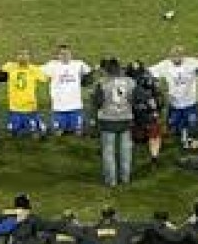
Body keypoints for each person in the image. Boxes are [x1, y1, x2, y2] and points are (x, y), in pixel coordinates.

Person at [92, 58, 135, 187]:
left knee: (108, 152)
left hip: (108, 121)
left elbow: (98, 103)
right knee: (126, 151)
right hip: (125, 119)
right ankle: (125, 178)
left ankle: (111, 181)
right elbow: (135, 98)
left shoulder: (102, 83)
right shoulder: (130, 82)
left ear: (107, 71)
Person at [148, 46, 198, 144]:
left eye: (178, 56)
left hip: (190, 102)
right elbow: (150, 71)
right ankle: (179, 133)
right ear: (170, 56)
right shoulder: (165, 65)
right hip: (175, 103)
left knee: (192, 126)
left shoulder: (192, 63)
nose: (176, 59)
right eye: (173, 56)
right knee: (172, 126)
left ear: (183, 56)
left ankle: (188, 135)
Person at [41, 44, 92, 136]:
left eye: (67, 54)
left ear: (71, 54)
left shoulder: (79, 64)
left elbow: (89, 74)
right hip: (59, 107)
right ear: (58, 55)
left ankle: (77, 126)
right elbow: (36, 71)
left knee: (78, 132)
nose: (65, 56)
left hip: (76, 106)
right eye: (62, 54)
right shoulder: (52, 65)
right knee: (58, 133)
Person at [2, 49, 48, 137]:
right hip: (15, 107)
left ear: (29, 57)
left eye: (25, 54)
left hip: (30, 107)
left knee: (37, 132)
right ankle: (17, 125)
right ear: (16, 57)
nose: (23, 57)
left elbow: (45, 79)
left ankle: (37, 124)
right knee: (13, 132)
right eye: (20, 54)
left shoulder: (34, 69)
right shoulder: (9, 66)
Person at [128, 61, 164, 166]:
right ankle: (154, 158)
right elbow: (159, 98)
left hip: (133, 114)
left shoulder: (125, 81)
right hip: (148, 113)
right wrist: (157, 111)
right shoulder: (150, 79)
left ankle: (128, 157)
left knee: (129, 135)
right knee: (154, 135)